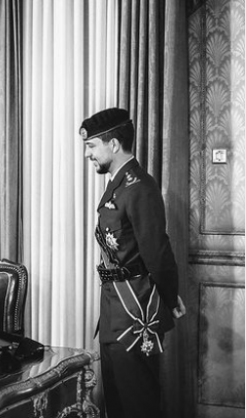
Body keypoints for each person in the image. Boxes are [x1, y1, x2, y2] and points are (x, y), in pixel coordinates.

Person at [79, 107, 186, 418]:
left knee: (138, 404)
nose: (87, 154)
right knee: (116, 403)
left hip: (134, 311)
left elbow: (157, 253)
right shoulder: (119, 184)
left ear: (113, 144)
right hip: (115, 310)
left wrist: (170, 297)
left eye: (91, 146)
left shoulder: (139, 187)